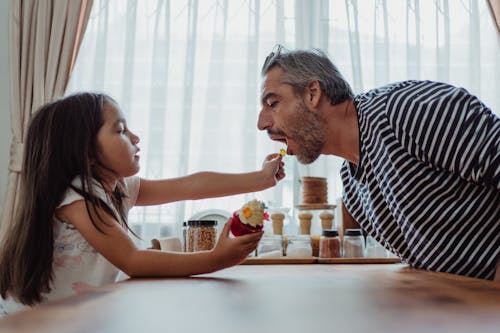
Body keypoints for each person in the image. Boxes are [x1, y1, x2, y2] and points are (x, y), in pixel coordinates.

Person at [0, 92, 285, 315]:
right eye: (121, 130)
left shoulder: (117, 188)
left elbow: (189, 185)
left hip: (74, 319)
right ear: (86, 152)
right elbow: (133, 260)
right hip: (34, 323)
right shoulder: (78, 199)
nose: (136, 137)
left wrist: (261, 179)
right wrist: (215, 259)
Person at [257, 45, 499, 280]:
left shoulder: (406, 111)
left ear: (312, 93)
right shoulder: (353, 189)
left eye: (272, 103)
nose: (262, 123)